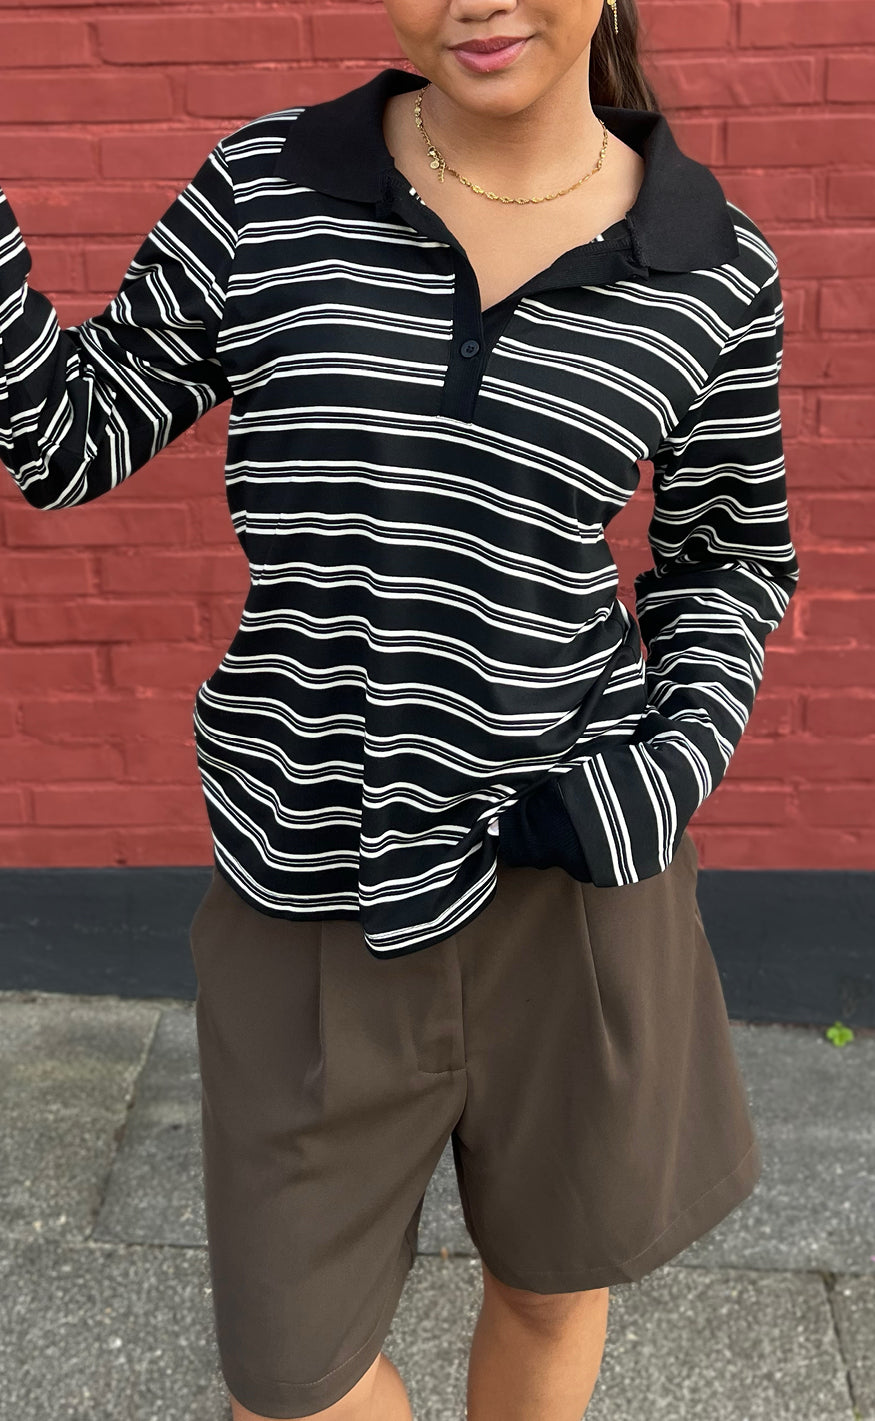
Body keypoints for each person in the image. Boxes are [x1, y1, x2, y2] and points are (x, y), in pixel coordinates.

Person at [0, 0, 799, 1417]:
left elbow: (729, 556)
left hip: (572, 890)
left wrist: (663, 770)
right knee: (289, 1382)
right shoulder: (268, 189)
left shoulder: (710, 266)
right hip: (305, 880)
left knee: (552, 1284)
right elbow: (68, 442)